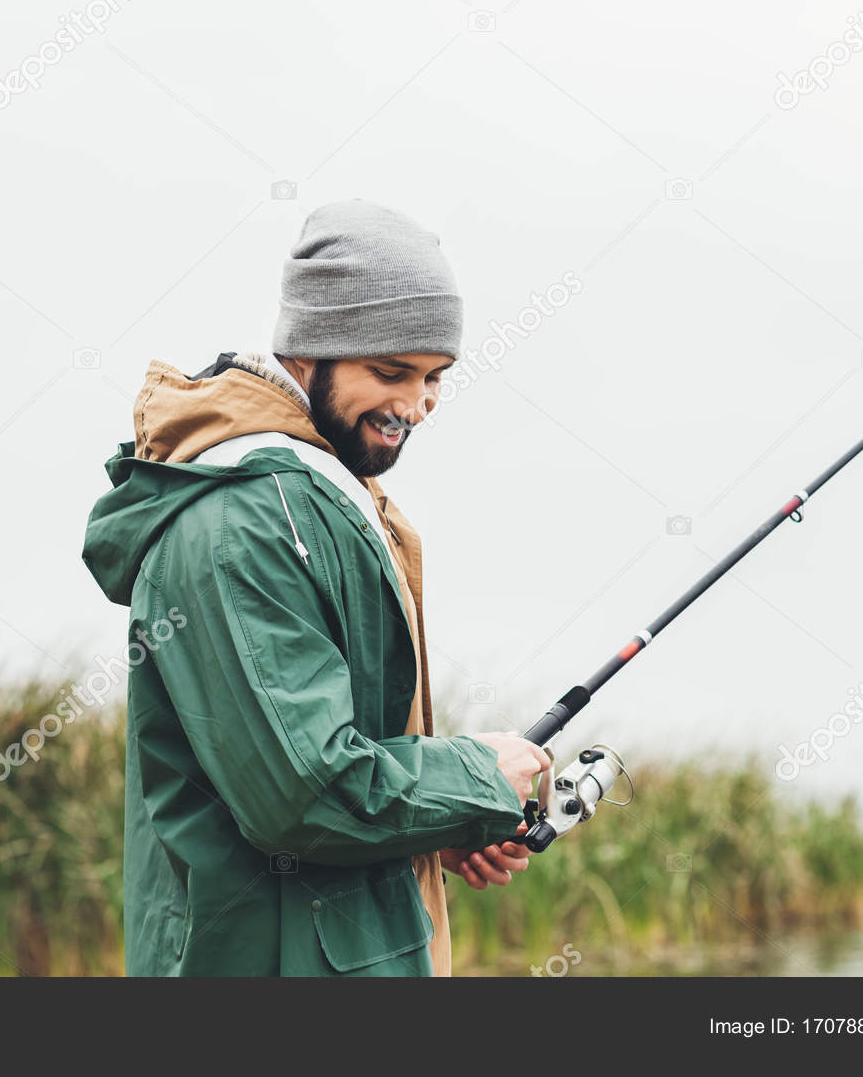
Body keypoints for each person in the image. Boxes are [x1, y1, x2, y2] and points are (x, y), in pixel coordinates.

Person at [83, 198, 550, 976]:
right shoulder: (243, 523)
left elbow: (336, 755)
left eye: (435, 378)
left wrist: (459, 815)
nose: (416, 406)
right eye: (391, 372)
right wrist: (475, 773)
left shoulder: (319, 500)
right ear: (308, 354)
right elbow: (305, 795)